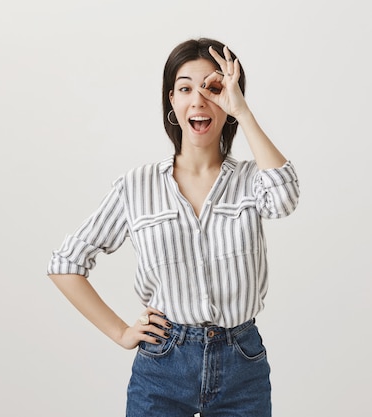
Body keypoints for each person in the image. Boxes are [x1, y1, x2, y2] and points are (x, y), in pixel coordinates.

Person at [46, 37, 300, 417]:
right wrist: (121, 332)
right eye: (185, 88)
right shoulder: (137, 186)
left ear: (229, 100)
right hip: (163, 366)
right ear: (172, 100)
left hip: (242, 363)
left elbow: (284, 199)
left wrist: (243, 113)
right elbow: (65, 264)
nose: (198, 100)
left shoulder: (251, 180)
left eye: (212, 88)